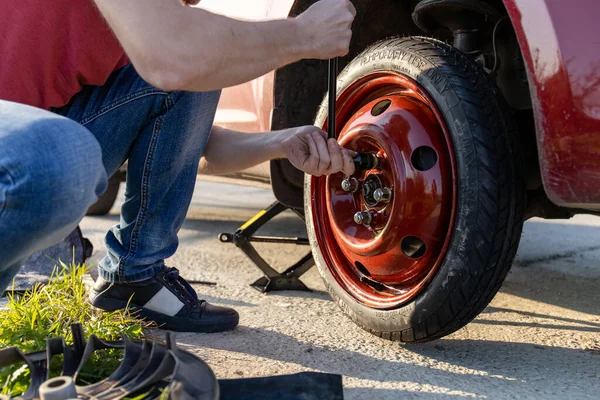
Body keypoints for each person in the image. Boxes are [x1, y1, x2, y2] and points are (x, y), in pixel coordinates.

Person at [0, 0, 356, 333]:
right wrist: (306, 33)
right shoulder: (158, 36)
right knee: (196, 55)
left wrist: (281, 142)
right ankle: (134, 273)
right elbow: (175, 60)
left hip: (29, 151)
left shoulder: (136, 27)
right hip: (16, 165)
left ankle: (131, 281)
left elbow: (182, 144)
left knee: (198, 64)